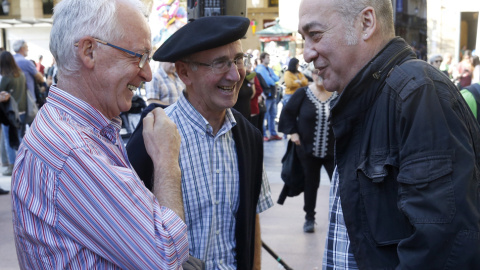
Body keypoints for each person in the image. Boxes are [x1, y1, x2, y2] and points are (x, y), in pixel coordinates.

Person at [298, 0, 480, 269]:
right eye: (304, 39)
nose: (306, 54)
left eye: (315, 35)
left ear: (366, 23)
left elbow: (442, 248)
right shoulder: (370, 98)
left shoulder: (416, 94)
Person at [11, 0, 190, 269]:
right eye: (138, 56)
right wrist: (166, 162)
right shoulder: (73, 151)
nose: (148, 73)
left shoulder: (82, 131)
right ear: (89, 51)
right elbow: (167, 257)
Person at [126, 16, 274, 269]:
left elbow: (252, 220)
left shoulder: (249, 137)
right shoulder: (151, 137)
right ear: (184, 72)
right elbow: (127, 232)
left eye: (238, 60)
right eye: (220, 63)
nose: (235, 74)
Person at [278, 68, 337, 233]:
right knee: (311, 184)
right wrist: (293, 133)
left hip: (333, 151)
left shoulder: (337, 94)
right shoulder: (303, 93)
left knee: (339, 184)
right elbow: (287, 114)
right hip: (307, 150)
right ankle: (309, 218)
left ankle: (341, 217)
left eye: (323, 72)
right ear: (312, 74)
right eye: (316, 72)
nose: (320, 75)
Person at [0, 51, 27, 176]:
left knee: (9, 140)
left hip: (9, 114)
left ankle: (12, 165)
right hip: (22, 111)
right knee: (21, 139)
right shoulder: (21, 75)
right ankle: (23, 165)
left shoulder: (5, 77)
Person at [255, 52, 282, 141]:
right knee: (264, 116)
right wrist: (273, 80)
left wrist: (273, 79)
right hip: (265, 96)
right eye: (267, 57)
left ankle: (273, 134)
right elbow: (269, 81)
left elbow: (276, 78)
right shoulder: (260, 69)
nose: (269, 59)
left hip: (272, 95)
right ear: (262, 59)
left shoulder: (269, 69)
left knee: (272, 115)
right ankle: (264, 135)